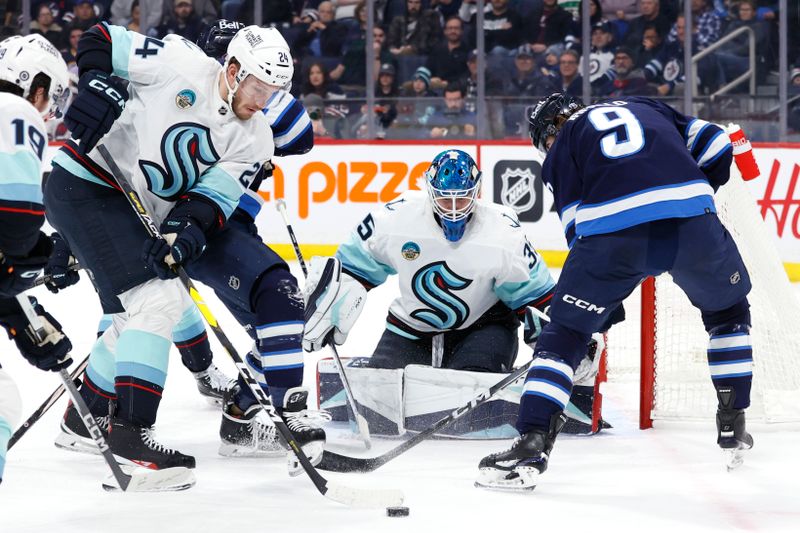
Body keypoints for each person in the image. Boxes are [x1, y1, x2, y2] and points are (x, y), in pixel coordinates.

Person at [477, 93, 753, 490]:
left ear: (549, 132)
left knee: (564, 336)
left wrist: (600, 300)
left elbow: (578, 231)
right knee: (728, 316)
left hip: (613, 240)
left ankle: (533, 442)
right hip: (693, 223)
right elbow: (714, 142)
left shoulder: (562, 149)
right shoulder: (644, 105)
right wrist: (695, 195)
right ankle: (733, 424)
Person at [43, 22, 279, 476]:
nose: (261, 99)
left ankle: (85, 416)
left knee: (131, 314)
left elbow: (210, 199)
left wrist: (184, 233)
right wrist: (96, 82)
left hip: (127, 208)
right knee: (161, 301)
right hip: (87, 180)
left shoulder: (256, 137)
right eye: (256, 85)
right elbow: (100, 41)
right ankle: (130, 431)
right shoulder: (180, 63)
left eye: (271, 92)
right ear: (233, 69)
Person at [302, 149, 556, 384]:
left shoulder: (502, 232)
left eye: (463, 197)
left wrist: (559, 340)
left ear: (477, 192)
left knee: (469, 390)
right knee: (380, 393)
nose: (454, 208)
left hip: (484, 327)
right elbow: (352, 267)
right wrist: (330, 302)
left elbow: (536, 295)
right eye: (446, 199)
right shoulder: (396, 219)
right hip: (412, 329)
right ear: (430, 190)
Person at [0, 33, 73, 484]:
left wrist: (22, 317)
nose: (48, 111)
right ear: (37, 86)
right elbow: (15, 221)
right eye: (52, 99)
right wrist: (40, 259)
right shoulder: (16, 110)